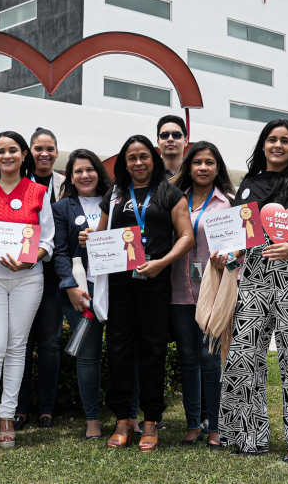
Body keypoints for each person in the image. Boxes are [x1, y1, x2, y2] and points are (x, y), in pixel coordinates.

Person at [218, 118, 288, 459]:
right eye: (272, 139)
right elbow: (243, 230)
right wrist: (231, 252)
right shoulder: (249, 183)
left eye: (285, 140)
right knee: (243, 353)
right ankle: (250, 436)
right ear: (263, 145)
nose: (277, 145)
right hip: (253, 274)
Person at [81, 135, 194, 452]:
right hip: (119, 285)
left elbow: (185, 237)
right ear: (124, 163)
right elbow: (102, 235)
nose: (138, 163)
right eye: (131, 158)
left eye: (144, 156)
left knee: (153, 352)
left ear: (154, 158)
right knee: (118, 351)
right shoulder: (114, 195)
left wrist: (162, 263)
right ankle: (122, 420)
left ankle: (151, 421)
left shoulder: (169, 193)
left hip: (155, 283)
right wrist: (92, 239)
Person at [0, 131, 55, 448]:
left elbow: (48, 239)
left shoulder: (39, 192)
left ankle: (7, 416)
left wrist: (29, 261)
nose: (7, 156)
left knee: (17, 347)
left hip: (27, 278)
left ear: (23, 155)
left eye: (13, 150)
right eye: (0, 151)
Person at [52, 148, 139, 440]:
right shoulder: (62, 208)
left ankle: (131, 415)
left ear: (98, 173)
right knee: (88, 357)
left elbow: (131, 240)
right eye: (78, 171)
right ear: (70, 176)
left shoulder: (119, 201)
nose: (84, 175)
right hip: (81, 290)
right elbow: (60, 253)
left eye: (89, 169)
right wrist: (71, 286)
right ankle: (92, 420)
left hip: (117, 287)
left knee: (126, 354)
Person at [168, 141, 233, 448]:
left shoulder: (229, 202)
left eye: (209, 162)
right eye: (197, 162)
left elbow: (241, 253)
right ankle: (193, 426)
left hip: (213, 293)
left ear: (217, 167)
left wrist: (227, 259)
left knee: (210, 360)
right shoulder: (173, 199)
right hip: (179, 292)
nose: (203, 168)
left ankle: (215, 428)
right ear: (188, 167)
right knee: (188, 360)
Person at [16, 127, 67, 430]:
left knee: (49, 342)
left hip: (55, 274)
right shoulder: (20, 182)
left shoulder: (66, 182)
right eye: (38, 148)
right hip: (23, 270)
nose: (44, 153)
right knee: (21, 342)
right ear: (29, 152)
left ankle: (46, 408)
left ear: (57, 152)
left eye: (49, 148)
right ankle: (20, 408)